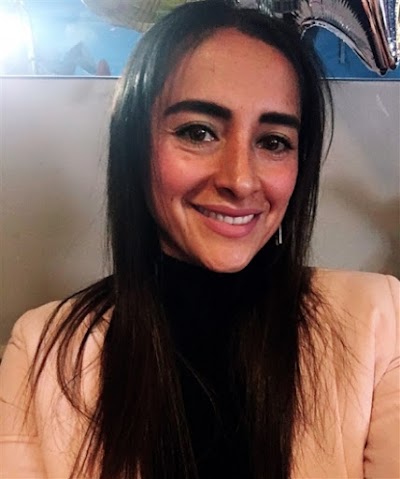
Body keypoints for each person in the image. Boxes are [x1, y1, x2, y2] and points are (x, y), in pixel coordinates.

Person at [0, 2, 398, 478]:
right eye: (199, 132)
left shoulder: (380, 320)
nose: (240, 180)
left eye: (273, 141)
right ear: (135, 144)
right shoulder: (42, 350)